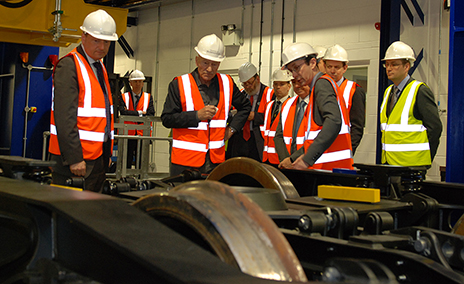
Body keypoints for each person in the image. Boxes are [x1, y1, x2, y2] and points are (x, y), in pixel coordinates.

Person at [161, 34, 251, 176]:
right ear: (197, 61)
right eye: (205, 63)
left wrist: (232, 129)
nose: (209, 69)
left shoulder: (227, 83)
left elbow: (245, 107)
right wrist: (196, 115)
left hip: (215, 162)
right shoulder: (179, 84)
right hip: (185, 163)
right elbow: (167, 119)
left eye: (214, 64)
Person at [49, 9, 118, 191]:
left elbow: (103, 115)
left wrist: (106, 152)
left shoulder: (99, 67)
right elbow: (65, 117)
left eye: (106, 42)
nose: (102, 47)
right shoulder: (69, 65)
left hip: (97, 159)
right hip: (75, 162)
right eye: (97, 41)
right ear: (84, 36)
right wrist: (74, 158)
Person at [275, 42, 353, 171]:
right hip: (328, 168)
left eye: (297, 68)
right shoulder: (317, 87)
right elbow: (315, 135)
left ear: (312, 63)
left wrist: (307, 159)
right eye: (291, 71)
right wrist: (294, 158)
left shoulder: (321, 84)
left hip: (330, 169)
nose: (294, 75)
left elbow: (334, 121)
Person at [380, 41, 442, 167]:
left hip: (412, 165)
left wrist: (424, 160)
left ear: (407, 66)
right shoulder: (388, 92)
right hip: (389, 163)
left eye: (394, 64)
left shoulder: (419, 90)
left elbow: (435, 128)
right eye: (387, 64)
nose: (389, 68)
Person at [226, 62, 274, 161]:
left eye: (250, 83)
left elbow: (274, 117)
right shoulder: (241, 94)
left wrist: (255, 116)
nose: (248, 86)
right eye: (245, 84)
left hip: (257, 140)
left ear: (257, 79)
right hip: (240, 139)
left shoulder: (270, 94)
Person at [324, 44, 366, 155]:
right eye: (329, 67)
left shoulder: (354, 91)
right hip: (320, 150)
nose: (332, 71)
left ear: (345, 68)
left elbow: (357, 127)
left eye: (336, 67)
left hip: (342, 151)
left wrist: (349, 151)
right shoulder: (318, 89)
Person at [118, 70, 155, 168]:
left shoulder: (148, 97)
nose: (138, 84)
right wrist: (140, 113)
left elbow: (151, 114)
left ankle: (140, 181)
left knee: (141, 163)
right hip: (127, 135)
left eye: (140, 81)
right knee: (126, 162)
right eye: (135, 81)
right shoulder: (124, 97)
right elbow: (123, 112)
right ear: (130, 83)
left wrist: (131, 114)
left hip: (143, 135)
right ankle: (125, 180)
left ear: (143, 83)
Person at [262, 69, 293, 165]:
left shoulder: (292, 106)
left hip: (282, 158)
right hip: (266, 157)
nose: (278, 87)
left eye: (282, 84)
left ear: (289, 86)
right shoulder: (269, 105)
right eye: (275, 84)